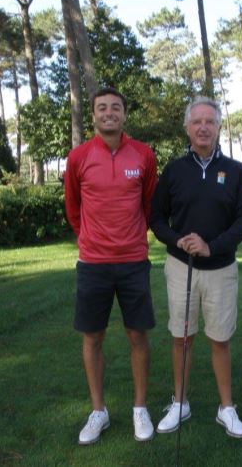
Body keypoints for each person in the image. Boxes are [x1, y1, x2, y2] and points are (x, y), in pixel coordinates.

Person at [149, 96, 242, 438]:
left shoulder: (236, 171)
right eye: (197, 122)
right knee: (182, 338)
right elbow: (156, 218)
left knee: (220, 339)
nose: (203, 127)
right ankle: (180, 402)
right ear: (187, 128)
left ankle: (226, 408)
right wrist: (178, 240)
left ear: (219, 126)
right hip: (181, 266)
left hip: (221, 269)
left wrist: (212, 247)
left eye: (210, 121)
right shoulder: (174, 170)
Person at [64, 87, 158, 445]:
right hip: (93, 263)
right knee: (94, 336)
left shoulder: (144, 155)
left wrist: (133, 237)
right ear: (93, 116)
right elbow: (74, 208)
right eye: (102, 108)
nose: (109, 113)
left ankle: (139, 409)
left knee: (137, 335)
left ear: (124, 114)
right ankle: (98, 411)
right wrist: (91, 238)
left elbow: (150, 205)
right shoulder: (79, 157)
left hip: (134, 261)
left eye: (115, 107)